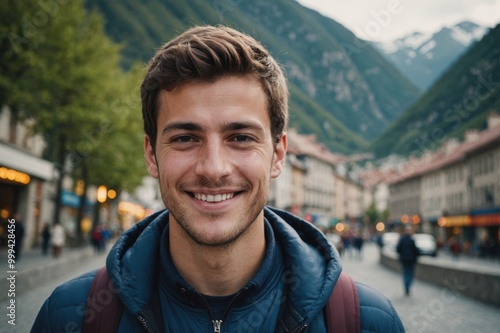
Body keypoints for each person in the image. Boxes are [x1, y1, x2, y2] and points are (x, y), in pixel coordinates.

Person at [32, 25, 404, 332]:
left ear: (277, 154)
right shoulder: (70, 317)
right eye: (185, 138)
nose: (213, 168)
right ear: (151, 155)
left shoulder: (365, 321)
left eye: (240, 138)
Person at [396, 226, 420, 296]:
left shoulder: (402, 240)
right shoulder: (412, 240)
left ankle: (406, 287)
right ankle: (408, 287)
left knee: (406, 273)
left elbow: (398, 249)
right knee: (410, 274)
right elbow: (416, 251)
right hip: (411, 260)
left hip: (404, 260)